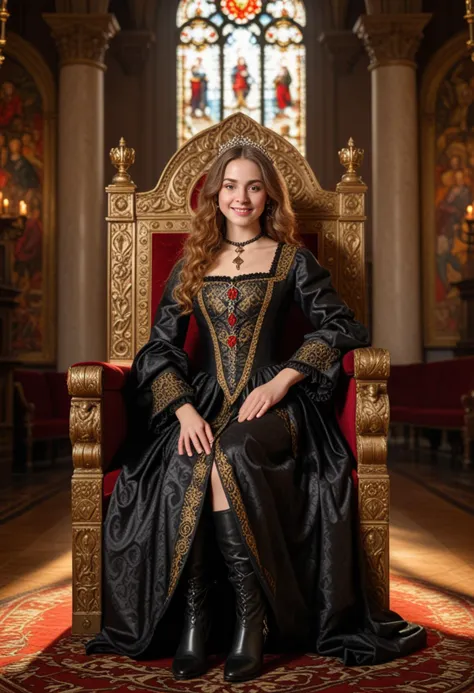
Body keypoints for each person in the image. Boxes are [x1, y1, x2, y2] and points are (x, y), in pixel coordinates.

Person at [86, 136, 426, 682]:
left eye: (253, 186)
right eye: (230, 185)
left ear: (269, 196)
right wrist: (183, 412)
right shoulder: (193, 264)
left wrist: (285, 380)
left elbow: (343, 327)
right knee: (191, 457)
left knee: (233, 452)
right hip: (203, 404)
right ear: (215, 194)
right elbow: (159, 349)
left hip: (277, 407)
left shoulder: (293, 259)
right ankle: (196, 619)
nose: (241, 197)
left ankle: (252, 619)